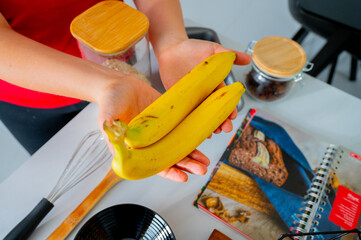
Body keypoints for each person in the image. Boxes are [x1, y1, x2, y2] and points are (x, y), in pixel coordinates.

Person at [0, 0, 251, 182]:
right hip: (31, 94)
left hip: (117, 54)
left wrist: (169, 42)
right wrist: (107, 84)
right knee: (61, 176)